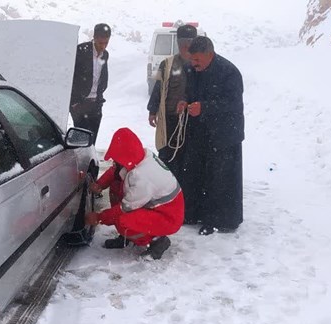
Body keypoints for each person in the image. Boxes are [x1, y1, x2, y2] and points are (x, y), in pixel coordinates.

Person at [177, 36, 244, 235]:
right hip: (200, 131)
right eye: (191, 59)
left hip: (224, 134)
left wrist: (204, 107)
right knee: (195, 173)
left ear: (210, 54)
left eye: (197, 59)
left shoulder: (229, 72)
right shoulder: (192, 70)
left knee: (219, 178)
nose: (193, 63)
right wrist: (184, 101)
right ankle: (193, 213)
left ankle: (218, 220)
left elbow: (233, 104)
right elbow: (189, 93)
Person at [85, 128, 184, 259]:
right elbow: (116, 170)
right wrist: (100, 184)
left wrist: (99, 217)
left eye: (116, 159)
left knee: (123, 220)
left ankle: (158, 240)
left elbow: (124, 209)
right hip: (155, 206)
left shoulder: (142, 178)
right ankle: (126, 236)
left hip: (168, 216)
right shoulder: (140, 156)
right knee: (116, 186)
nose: (114, 163)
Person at [146, 24, 197, 172]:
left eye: (189, 44)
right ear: (178, 44)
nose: (186, 48)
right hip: (169, 119)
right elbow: (158, 89)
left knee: (188, 157)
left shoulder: (199, 65)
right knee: (167, 156)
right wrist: (152, 111)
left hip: (191, 120)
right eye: (182, 44)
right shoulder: (167, 64)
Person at [70, 23, 110, 145]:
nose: (103, 47)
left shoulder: (105, 54)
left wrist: (99, 99)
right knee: (79, 142)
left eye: (106, 43)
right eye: (100, 43)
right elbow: (72, 76)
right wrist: (75, 103)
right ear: (95, 38)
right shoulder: (81, 51)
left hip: (95, 104)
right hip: (80, 105)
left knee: (91, 141)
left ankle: (89, 163)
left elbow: (102, 77)